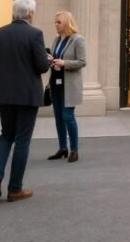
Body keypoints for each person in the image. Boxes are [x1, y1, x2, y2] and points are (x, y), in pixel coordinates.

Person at [0, 0, 51, 202]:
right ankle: (15, 188)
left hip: (4, 94)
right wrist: (47, 59)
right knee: (22, 139)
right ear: (30, 13)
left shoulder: (0, 33)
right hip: (27, 94)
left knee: (6, 136)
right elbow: (42, 66)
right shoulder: (35, 34)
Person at [46, 10, 87, 163]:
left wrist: (64, 63)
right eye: (55, 22)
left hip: (69, 85)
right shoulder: (56, 39)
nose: (56, 25)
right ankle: (63, 148)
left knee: (68, 116)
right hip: (56, 82)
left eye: (59, 22)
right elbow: (56, 59)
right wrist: (51, 59)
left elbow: (82, 62)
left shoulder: (77, 39)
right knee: (58, 117)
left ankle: (74, 149)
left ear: (66, 23)